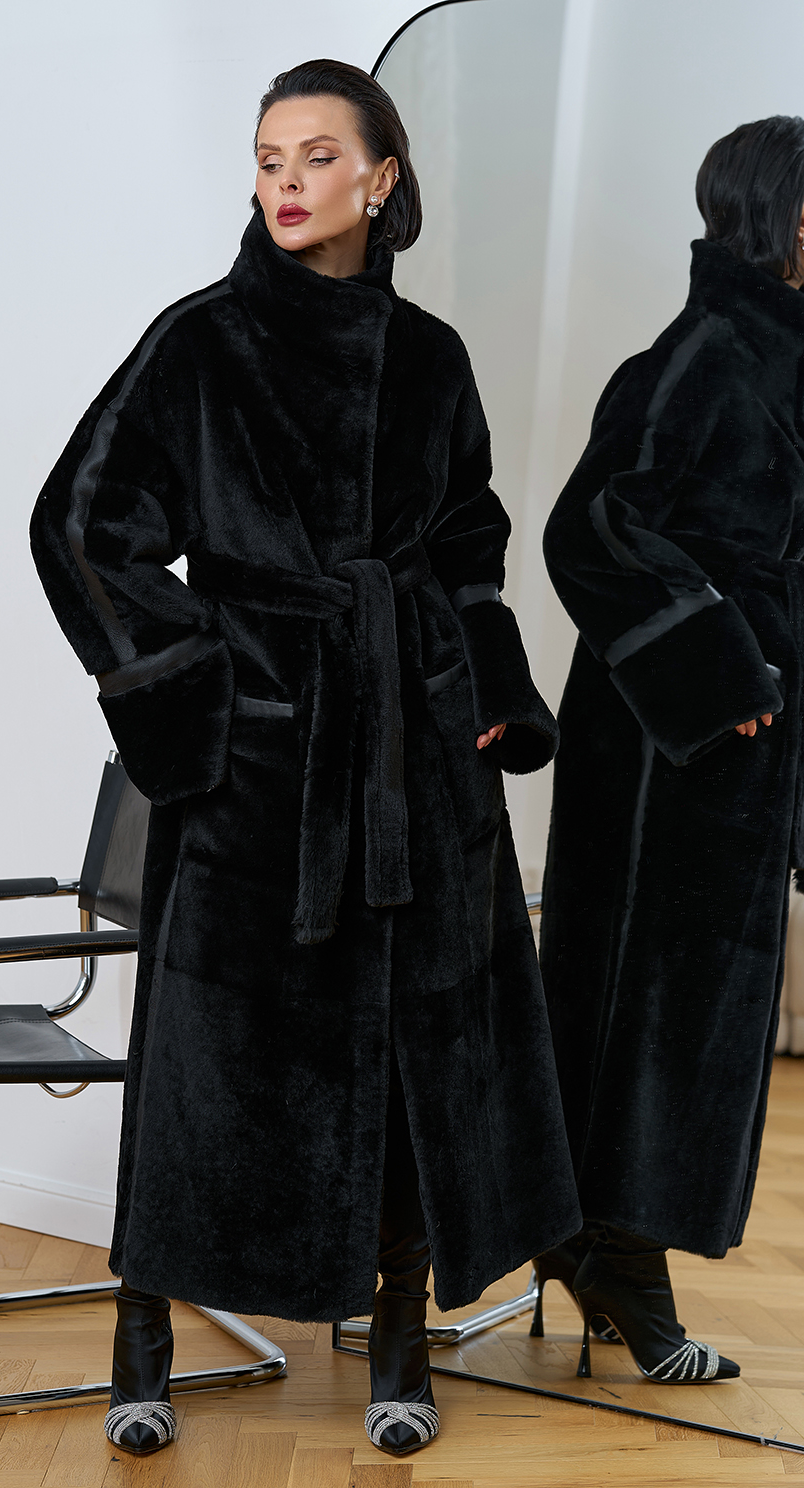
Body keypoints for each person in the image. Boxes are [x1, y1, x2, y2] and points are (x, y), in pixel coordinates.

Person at [31, 59, 580, 1459]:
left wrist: (488, 691)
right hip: (257, 766)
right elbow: (80, 526)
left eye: (317, 156)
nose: (286, 181)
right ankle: (142, 1345)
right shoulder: (199, 343)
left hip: (415, 759)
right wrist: (203, 697)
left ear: (381, 179)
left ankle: (399, 1339)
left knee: (406, 1058)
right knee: (200, 1062)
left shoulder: (434, 357)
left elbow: (466, 545)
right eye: (269, 157)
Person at [537, 115, 804, 1386]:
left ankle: (602, 1241)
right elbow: (587, 529)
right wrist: (717, 671)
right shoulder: (699, 354)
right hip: (664, 755)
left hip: (738, 753)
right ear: (773, 212)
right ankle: (614, 1254)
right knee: (652, 1006)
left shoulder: (778, 360)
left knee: (702, 1012)